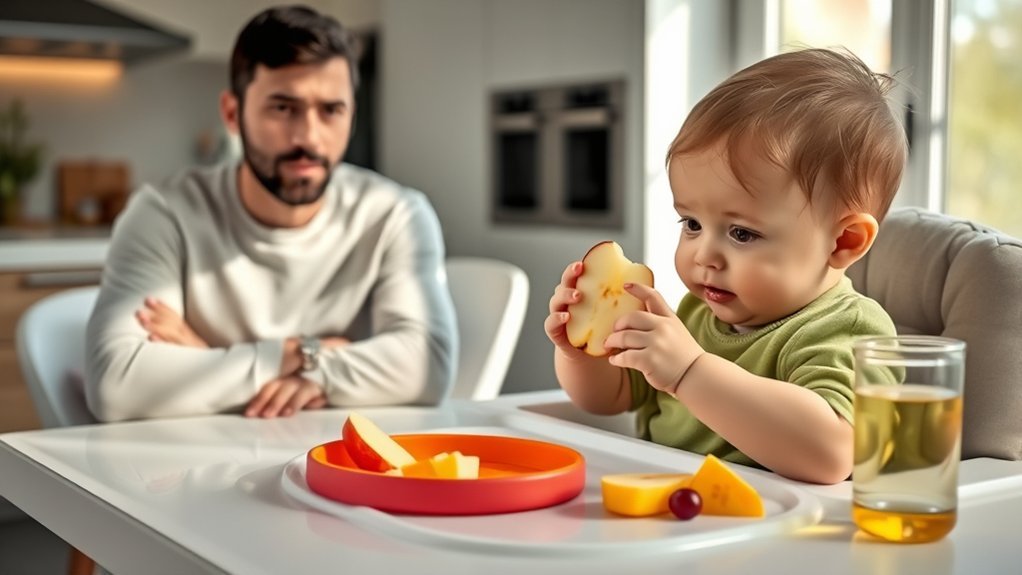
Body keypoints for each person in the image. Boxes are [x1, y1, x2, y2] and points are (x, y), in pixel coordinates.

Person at [544, 48, 907, 484]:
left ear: (844, 242)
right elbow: (611, 398)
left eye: (741, 233)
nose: (703, 256)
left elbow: (832, 454)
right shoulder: (695, 314)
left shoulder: (847, 328)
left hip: (773, 520)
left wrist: (690, 372)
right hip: (668, 506)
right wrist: (580, 353)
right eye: (692, 224)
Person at [85, 5, 458, 422]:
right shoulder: (164, 213)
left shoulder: (395, 214)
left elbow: (428, 367)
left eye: (331, 110)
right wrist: (308, 354)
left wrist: (207, 359)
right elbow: (115, 386)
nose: (309, 137)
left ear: (352, 115)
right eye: (283, 108)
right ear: (232, 114)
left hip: (339, 452)